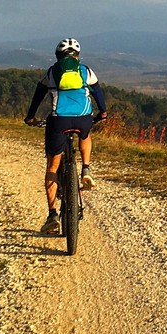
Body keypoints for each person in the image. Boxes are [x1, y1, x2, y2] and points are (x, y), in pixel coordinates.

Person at [24, 37, 107, 235]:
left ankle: (52, 214)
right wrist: (102, 113)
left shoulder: (52, 72)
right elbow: (98, 93)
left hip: (58, 121)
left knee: (52, 167)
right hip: (82, 119)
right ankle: (86, 169)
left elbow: (38, 95)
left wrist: (30, 117)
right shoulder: (86, 71)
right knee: (85, 135)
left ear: (58, 55)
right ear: (77, 56)